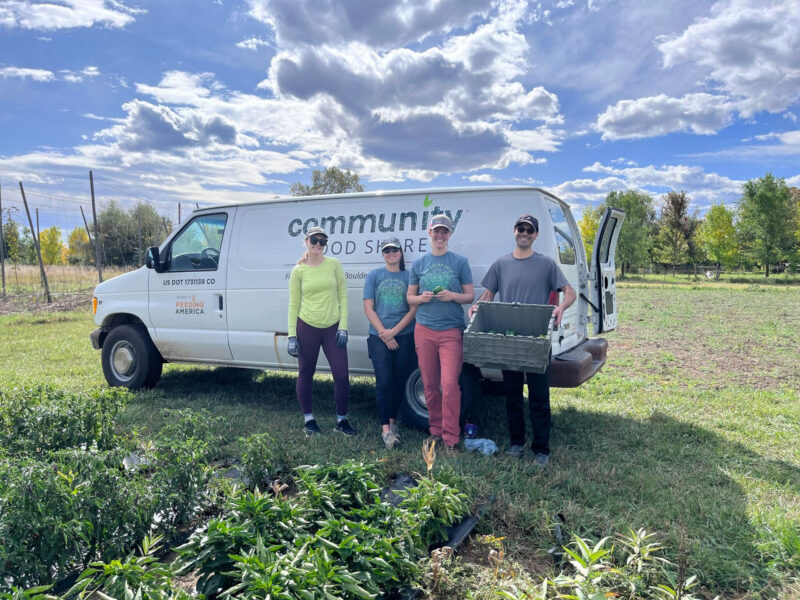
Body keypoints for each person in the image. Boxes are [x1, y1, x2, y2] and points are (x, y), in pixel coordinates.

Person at [469, 214, 576, 466]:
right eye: (521, 228)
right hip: (510, 342)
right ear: (514, 231)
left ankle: (541, 449)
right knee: (512, 395)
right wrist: (476, 308)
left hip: (537, 341)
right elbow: (487, 295)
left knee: (539, 396)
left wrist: (561, 309)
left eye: (530, 230)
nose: (525, 233)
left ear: (536, 235)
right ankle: (516, 443)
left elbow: (569, 293)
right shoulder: (500, 264)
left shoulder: (547, 264)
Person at [407, 214, 474, 457]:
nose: (440, 235)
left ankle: (451, 438)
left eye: (444, 231)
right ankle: (435, 429)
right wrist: (421, 298)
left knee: (449, 385)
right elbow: (410, 298)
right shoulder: (419, 263)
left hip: (450, 331)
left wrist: (452, 296)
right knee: (430, 385)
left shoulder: (460, 262)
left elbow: (470, 296)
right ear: (429, 232)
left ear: (450, 234)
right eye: (436, 231)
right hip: (424, 329)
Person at [287, 226, 356, 437]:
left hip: (333, 327)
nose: (318, 244)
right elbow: (294, 303)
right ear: (306, 241)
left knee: (342, 375)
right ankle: (309, 420)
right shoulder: (299, 270)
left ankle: (341, 421)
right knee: (306, 373)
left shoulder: (334, 265)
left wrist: (343, 327)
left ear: (326, 244)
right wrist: (291, 335)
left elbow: (343, 296)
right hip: (306, 325)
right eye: (314, 240)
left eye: (322, 241)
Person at [363, 237, 418, 449]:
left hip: (404, 336)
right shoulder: (375, 275)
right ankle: (385, 429)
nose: (391, 253)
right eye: (387, 250)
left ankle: (393, 423)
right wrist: (383, 333)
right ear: (383, 254)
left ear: (401, 252)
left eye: (395, 249)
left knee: (399, 380)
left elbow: (413, 309)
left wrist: (394, 332)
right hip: (378, 337)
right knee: (384, 380)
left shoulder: (409, 276)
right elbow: (369, 308)